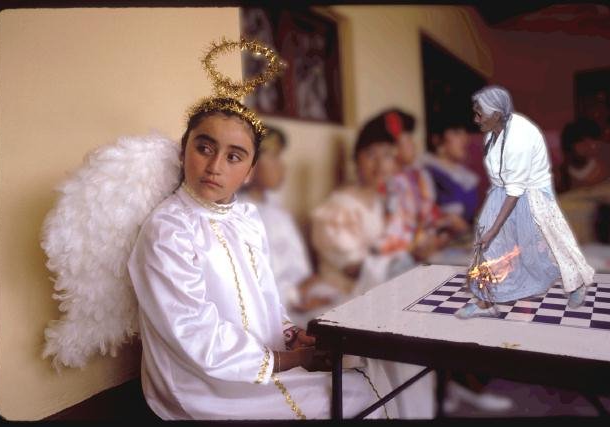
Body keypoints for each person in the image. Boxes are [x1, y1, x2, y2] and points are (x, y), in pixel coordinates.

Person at [127, 39, 434, 420]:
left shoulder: (246, 219)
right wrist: (284, 360)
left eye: (234, 156)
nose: (215, 166)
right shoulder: (168, 230)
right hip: (203, 383)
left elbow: (267, 298)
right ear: (183, 149)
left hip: (263, 357)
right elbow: (192, 333)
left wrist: (290, 334)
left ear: (249, 171)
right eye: (204, 147)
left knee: (386, 363)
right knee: (359, 395)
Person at [455, 85, 595, 319]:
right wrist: (492, 227)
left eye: (479, 114)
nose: (475, 119)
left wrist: (494, 228)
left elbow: (516, 190)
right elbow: (503, 181)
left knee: (551, 243)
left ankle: (576, 283)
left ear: (497, 114)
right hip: (504, 192)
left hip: (530, 194)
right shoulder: (492, 132)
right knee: (493, 248)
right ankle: (485, 301)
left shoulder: (518, 138)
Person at [309, 114, 417, 305]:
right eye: (370, 155)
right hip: (341, 296)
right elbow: (351, 268)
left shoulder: (378, 202)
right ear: (356, 160)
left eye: (387, 155)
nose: (380, 164)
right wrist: (410, 258)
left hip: (376, 289)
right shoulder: (339, 207)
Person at [239, 126, 328, 317]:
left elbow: (298, 268)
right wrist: (296, 295)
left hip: (304, 294)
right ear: (251, 163)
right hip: (281, 308)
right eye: (274, 156)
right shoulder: (242, 214)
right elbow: (254, 283)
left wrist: (309, 284)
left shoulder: (276, 209)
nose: (282, 166)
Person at [384, 109, 470, 261]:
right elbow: (399, 227)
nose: (413, 144)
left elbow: (430, 212)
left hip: (435, 241)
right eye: (407, 139)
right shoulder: (392, 182)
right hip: (411, 252)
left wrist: (444, 227)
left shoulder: (419, 175)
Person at [424, 117, 480, 225]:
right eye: (457, 133)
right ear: (437, 139)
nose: (465, 139)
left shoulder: (465, 176)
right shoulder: (428, 173)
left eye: (465, 133)